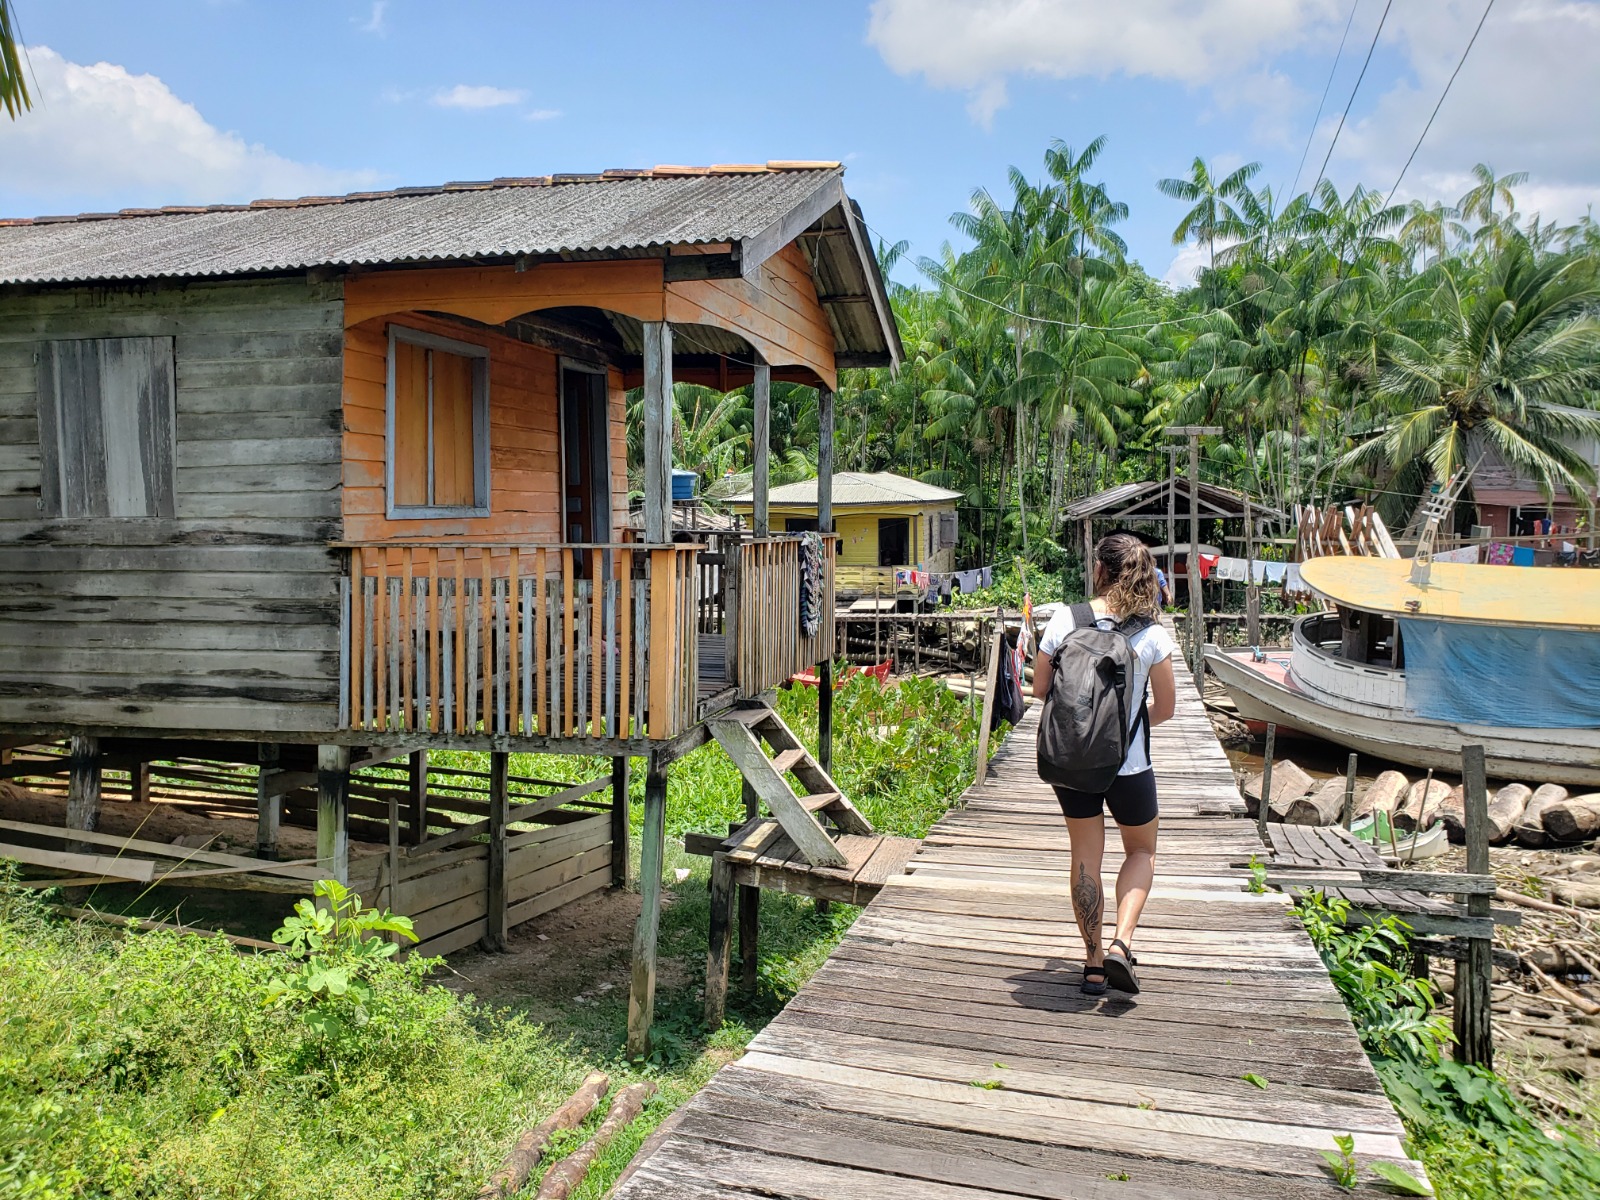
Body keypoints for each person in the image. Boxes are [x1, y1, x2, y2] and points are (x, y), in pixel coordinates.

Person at [1032, 533, 1176, 995]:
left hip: (1073, 761)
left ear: (1099, 570)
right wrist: (1128, 730)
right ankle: (1121, 943)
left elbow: (1039, 690)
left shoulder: (1064, 618)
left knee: (1084, 858)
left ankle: (1092, 965)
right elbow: (1167, 708)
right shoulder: (1151, 633)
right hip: (1129, 766)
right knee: (1141, 851)